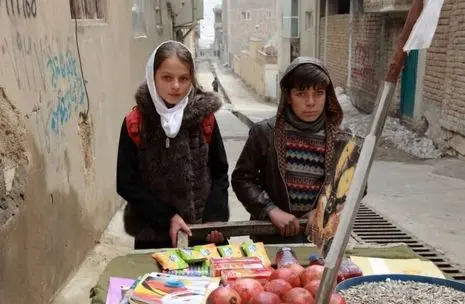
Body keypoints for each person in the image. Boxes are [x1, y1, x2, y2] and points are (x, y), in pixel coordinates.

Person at [231, 57, 363, 246]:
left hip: (322, 238)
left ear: (327, 96)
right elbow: (243, 179)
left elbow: (356, 187)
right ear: (288, 96)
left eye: (318, 93)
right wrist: (270, 210)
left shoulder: (342, 140)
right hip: (272, 236)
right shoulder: (266, 133)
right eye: (301, 93)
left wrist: (324, 210)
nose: (310, 102)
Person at [117, 40, 229, 249]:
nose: (176, 86)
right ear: (153, 77)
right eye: (167, 78)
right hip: (153, 234)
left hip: (200, 233)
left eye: (184, 78)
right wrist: (167, 218)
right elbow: (126, 183)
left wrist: (215, 219)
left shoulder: (204, 119)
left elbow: (219, 172)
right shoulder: (136, 122)